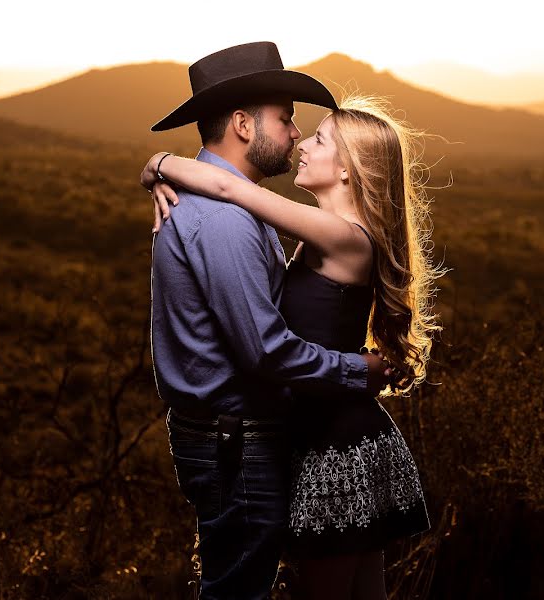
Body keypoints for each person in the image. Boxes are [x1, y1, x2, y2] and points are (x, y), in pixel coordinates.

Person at [143, 84, 449, 597]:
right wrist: (158, 164)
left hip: (337, 442)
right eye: (290, 121)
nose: (301, 139)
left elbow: (231, 189)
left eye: (321, 140)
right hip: (323, 433)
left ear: (349, 169)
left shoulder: (343, 236)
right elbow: (227, 193)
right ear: (243, 125)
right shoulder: (321, 231)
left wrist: (161, 163)